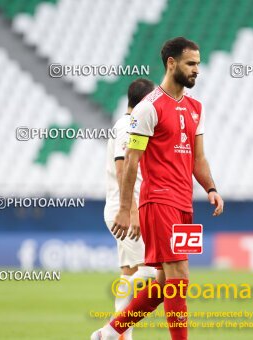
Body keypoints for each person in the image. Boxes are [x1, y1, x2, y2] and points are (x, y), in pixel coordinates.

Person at [92, 36, 224, 340]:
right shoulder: (148, 108)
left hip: (183, 204)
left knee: (166, 283)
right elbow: (131, 161)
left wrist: (210, 187)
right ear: (171, 63)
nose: (196, 70)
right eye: (191, 64)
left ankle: (110, 332)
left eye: (198, 65)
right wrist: (126, 209)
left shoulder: (195, 108)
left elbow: (198, 158)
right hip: (158, 201)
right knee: (180, 278)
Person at [103, 78, 157, 340]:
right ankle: (109, 332)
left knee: (130, 272)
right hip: (126, 209)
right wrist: (132, 210)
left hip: (125, 206)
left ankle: (119, 335)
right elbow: (123, 167)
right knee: (152, 275)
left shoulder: (126, 125)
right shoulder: (127, 126)